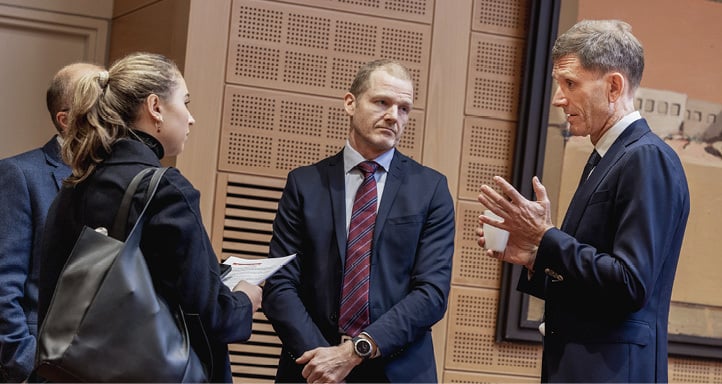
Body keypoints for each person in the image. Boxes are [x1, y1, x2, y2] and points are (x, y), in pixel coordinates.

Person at [476, 20, 690, 382]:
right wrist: (533, 255)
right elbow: (593, 285)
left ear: (613, 86)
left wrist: (546, 238)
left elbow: (630, 283)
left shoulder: (646, 157)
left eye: (570, 84)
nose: (559, 98)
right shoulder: (604, 157)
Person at [37, 52, 262, 383]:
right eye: (184, 102)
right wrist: (245, 298)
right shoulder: (165, 189)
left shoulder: (74, 184)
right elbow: (211, 316)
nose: (191, 118)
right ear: (155, 107)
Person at [262, 59, 455, 383]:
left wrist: (354, 352)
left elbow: (431, 294)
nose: (394, 116)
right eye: (382, 102)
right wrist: (323, 360)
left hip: (398, 369)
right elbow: (280, 284)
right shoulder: (304, 185)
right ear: (350, 103)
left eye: (404, 108)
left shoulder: (430, 189)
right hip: (312, 369)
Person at [0, 62, 102, 382]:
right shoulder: (19, 174)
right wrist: (29, 367)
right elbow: (4, 285)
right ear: (65, 119)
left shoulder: (114, 180)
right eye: (101, 102)